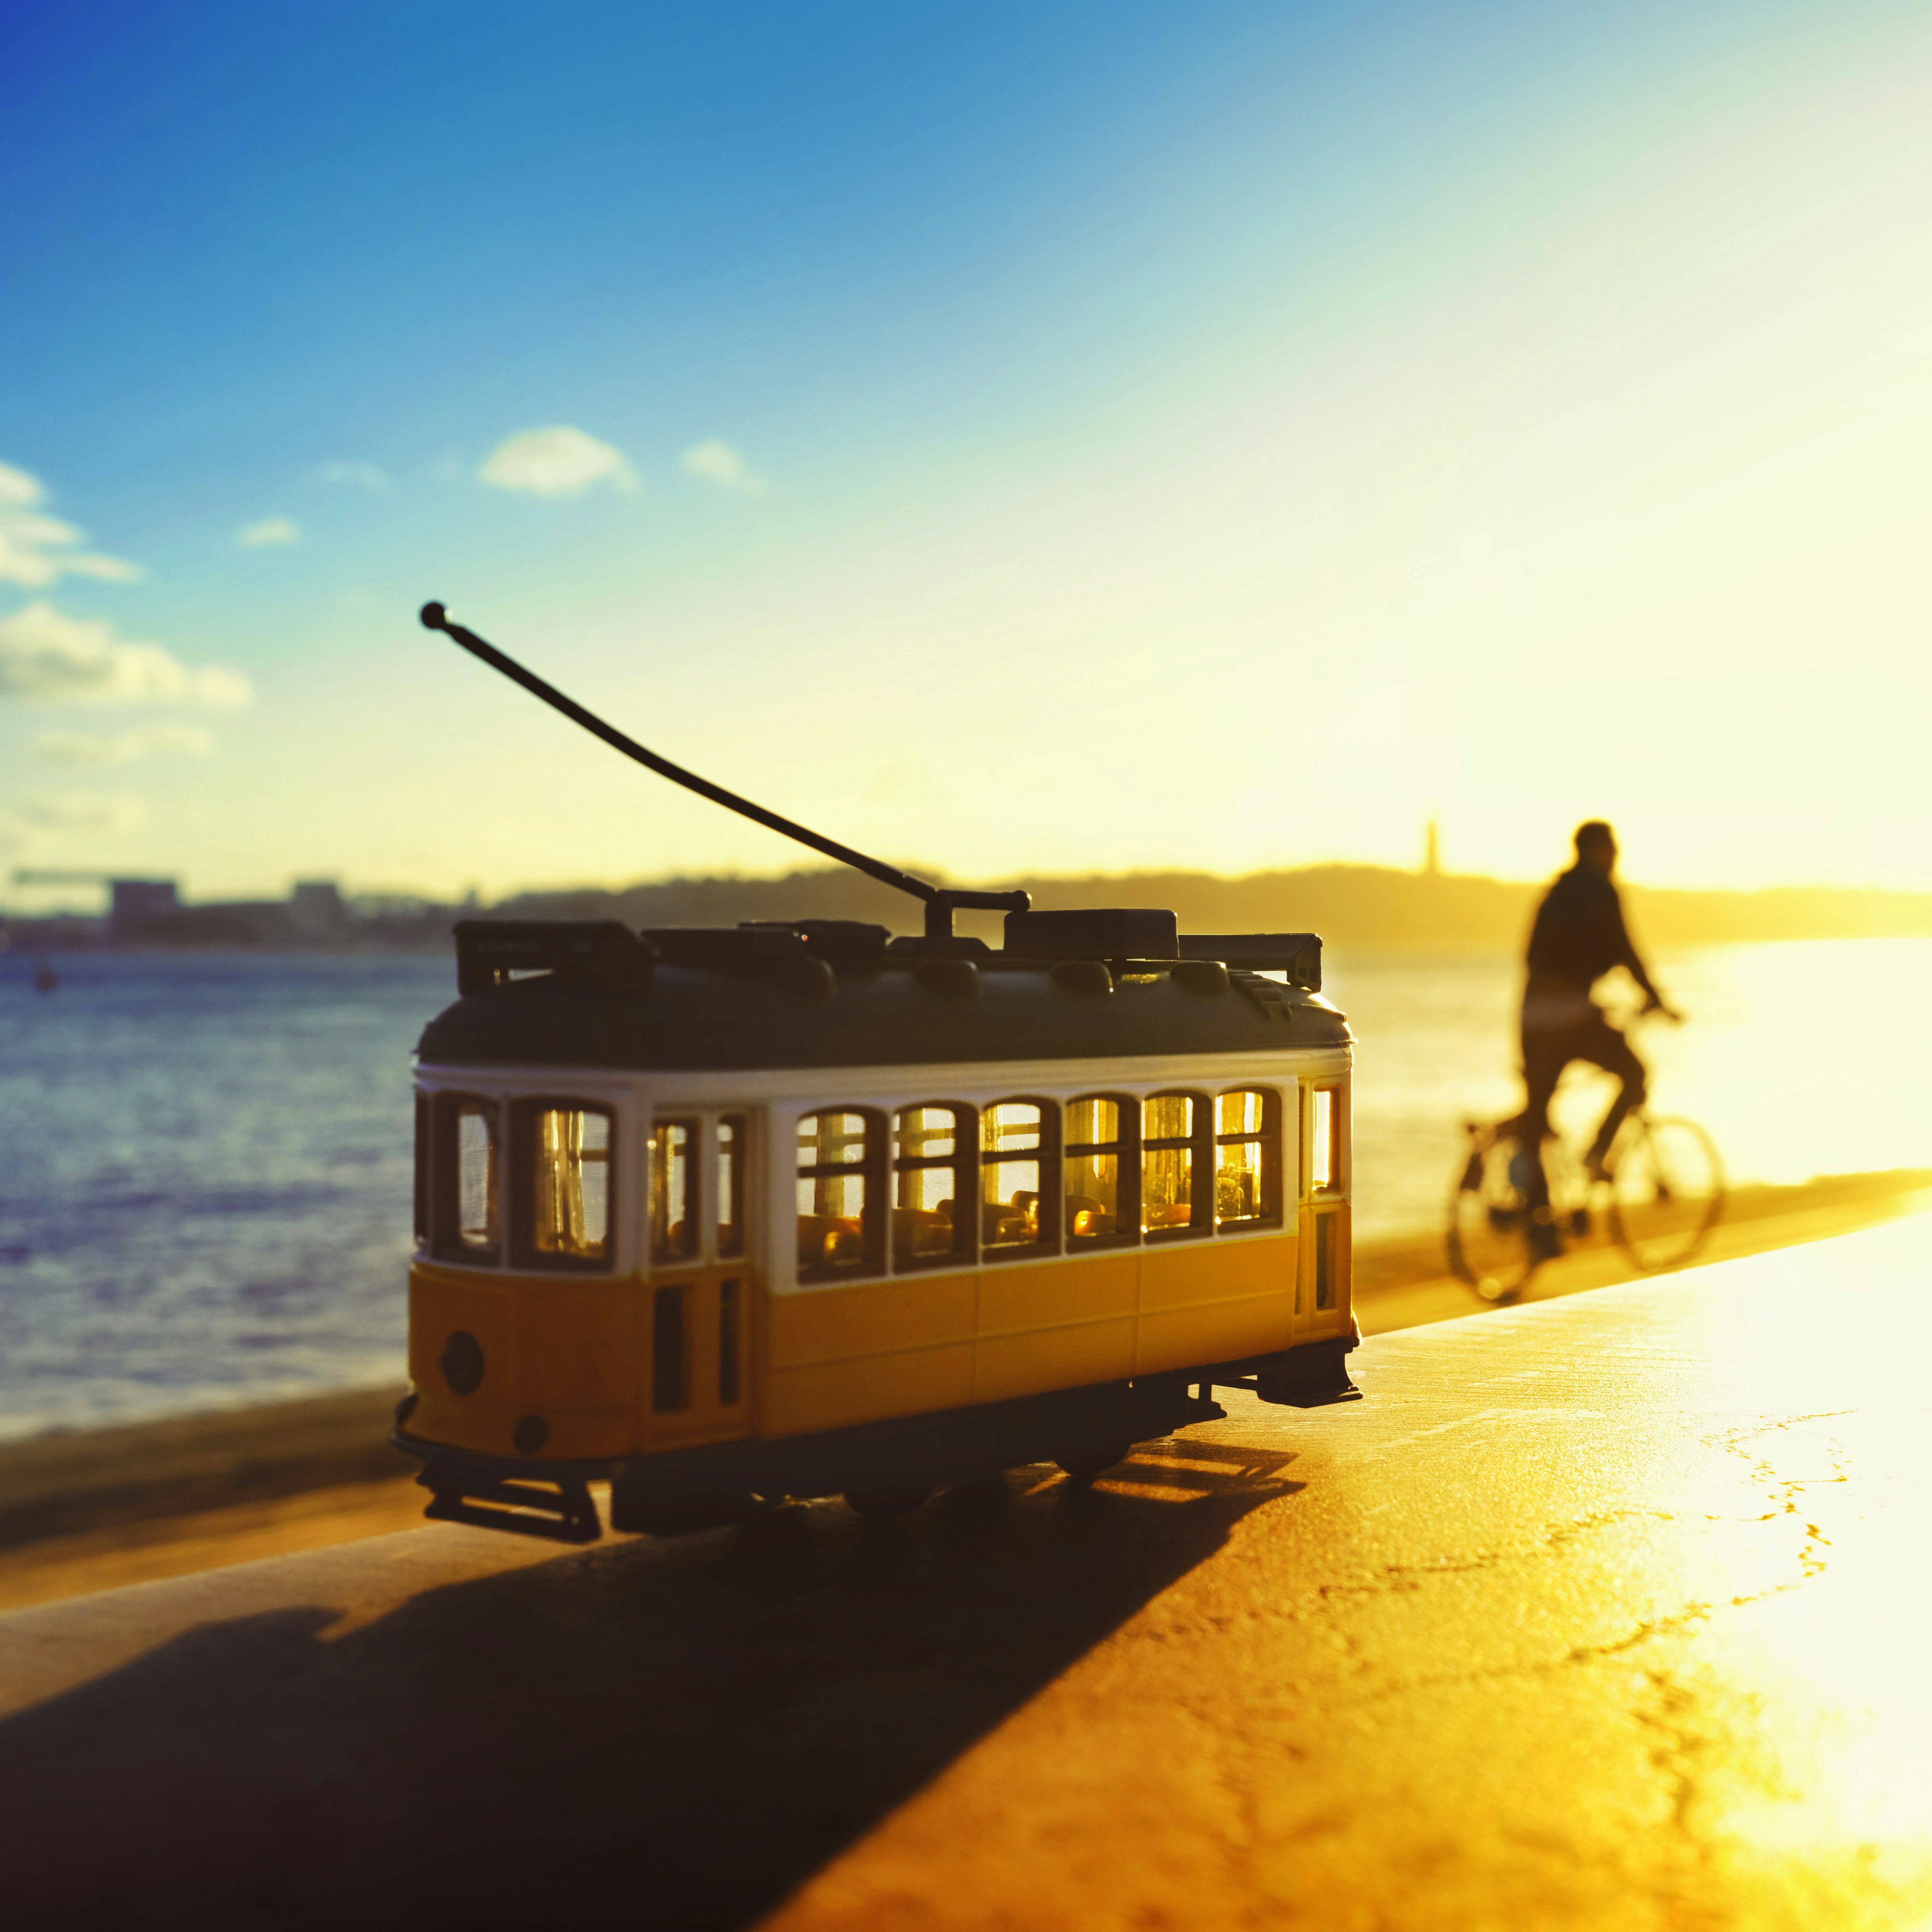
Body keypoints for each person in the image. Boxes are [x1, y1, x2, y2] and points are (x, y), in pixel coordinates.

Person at [1514, 821, 1678, 1255]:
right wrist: (1658, 1000)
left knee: (1536, 1113)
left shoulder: (1554, 893)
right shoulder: (1601, 891)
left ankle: (1540, 1224)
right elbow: (1626, 950)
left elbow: (1533, 956)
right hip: (1569, 1016)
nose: (1618, 855)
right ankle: (1596, 1153)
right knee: (1636, 1073)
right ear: (1596, 850)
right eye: (1613, 848)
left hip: (1531, 1014)